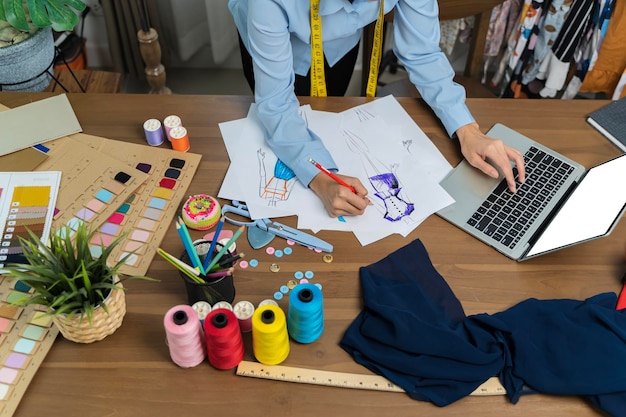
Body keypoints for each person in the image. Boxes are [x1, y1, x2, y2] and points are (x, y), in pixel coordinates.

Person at [228, 0, 526, 218]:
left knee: (331, 100)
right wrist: (320, 177)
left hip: (339, 45)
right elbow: (276, 102)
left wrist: (468, 129)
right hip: (269, 35)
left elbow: (422, 54)